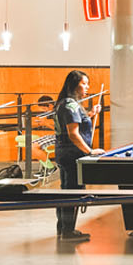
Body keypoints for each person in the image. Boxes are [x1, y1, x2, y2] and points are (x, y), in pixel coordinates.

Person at [53, 71, 102, 242]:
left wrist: (90, 114)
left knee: (65, 191)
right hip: (72, 155)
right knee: (72, 193)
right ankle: (68, 232)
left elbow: (75, 125)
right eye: (84, 83)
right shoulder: (71, 105)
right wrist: (89, 151)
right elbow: (73, 134)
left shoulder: (66, 103)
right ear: (73, 85)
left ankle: (63, 228)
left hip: (63, 153)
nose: (87, 87)